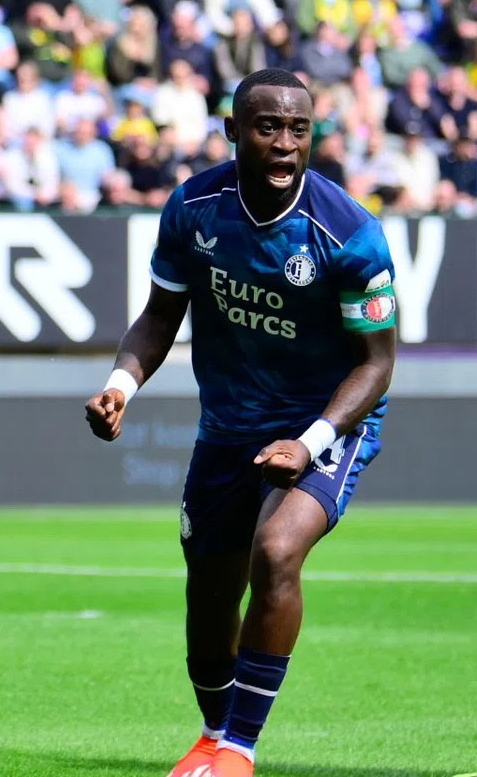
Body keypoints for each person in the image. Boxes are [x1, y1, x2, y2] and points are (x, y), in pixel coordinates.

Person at [84, 69, 396, 777]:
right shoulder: (195, 208)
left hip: (325, 421)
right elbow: (161, 315)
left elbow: (377, 364)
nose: (286, 144)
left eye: (299, 129)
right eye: (267, 127)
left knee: (277, 551)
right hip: (228, 426)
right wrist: (119, 385)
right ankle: (211, 735)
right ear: (231, 132)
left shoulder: (350, 233)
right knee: (209, 587)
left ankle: (239, 752)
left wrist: (310, 440)